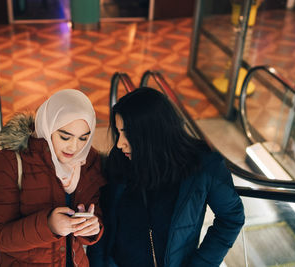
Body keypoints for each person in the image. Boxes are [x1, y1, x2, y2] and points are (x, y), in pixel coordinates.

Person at [88, 88, 245, 267]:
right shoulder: (117, 163)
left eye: (127, 134)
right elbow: (103, 222)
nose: (119, 143)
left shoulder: (203, 166)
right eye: (118, 132)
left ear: (153, 133)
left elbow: (232, 217)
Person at [0, 89, 106, 266]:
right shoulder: (9, 161)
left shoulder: (88, 160)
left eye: (83, 139)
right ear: (48, 126)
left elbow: (96, 217)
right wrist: (48, 225)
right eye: (65, 137)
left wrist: (93, 229)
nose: (74, 147)